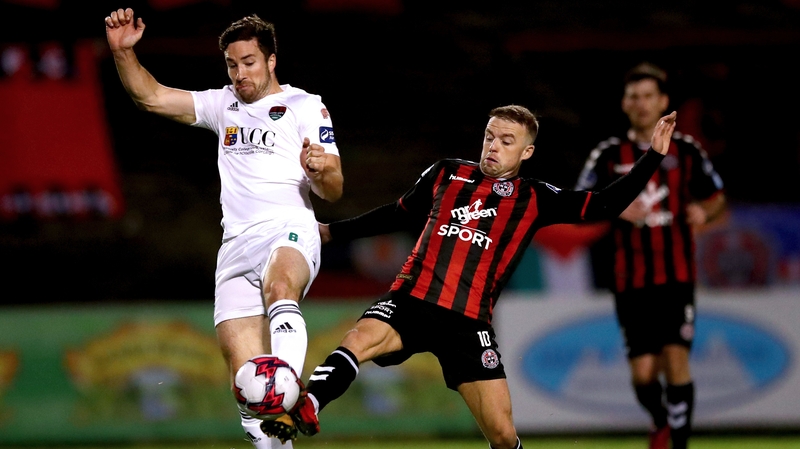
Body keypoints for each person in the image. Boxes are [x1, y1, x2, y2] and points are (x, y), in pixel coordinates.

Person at [261, 104, 679, 449]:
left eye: (506, 141)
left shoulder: (536, 198)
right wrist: (335, 231)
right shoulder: (446, 173)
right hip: (412, 299)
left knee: (501, 433)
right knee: (359, 338)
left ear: (527, 153)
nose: (494, 147)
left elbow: (606, 204)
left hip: (468, 323)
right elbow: (397, 212)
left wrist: (653, 157)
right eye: (489, 137)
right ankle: (309, 402)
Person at [104, 8, 344, 449]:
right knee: (246, 382)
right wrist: (122, 53)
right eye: (232, 64)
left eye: (249, 62)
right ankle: (277, 433)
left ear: (271, 60)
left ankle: (290, 392)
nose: (240, 73)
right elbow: (151, 97)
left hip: (288, 229)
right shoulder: (222, 105)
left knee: (280, 289)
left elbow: (333, 188)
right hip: (235, 244)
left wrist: (318, 169)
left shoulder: (304, 106)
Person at [575, 62, 726, 449]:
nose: (641, 104)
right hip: (631, 279)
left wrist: (702, 211)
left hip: (677, 275)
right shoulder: (608, 153)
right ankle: (661, 419)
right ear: (624, 104)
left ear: (663, 101)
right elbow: (580, 202)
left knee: (676, 357)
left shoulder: (688, 149)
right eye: (633, 97)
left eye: (648, 96)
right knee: (643, 375)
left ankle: (677, 443)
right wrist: (615, 207)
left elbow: (716, 198)